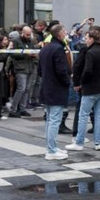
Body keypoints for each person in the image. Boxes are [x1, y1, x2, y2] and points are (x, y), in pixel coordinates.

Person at [67, 28, 100, 151]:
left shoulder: (90, 53)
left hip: (90, 88)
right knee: (98, 115)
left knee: (83, 115)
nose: (85, 40)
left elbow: (87, 70)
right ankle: (98, 142)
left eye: (86, 38)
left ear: (91, 39)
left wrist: (81, 82)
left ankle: (79, 142)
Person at [39, 23, 73, 160]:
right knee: (54, 120)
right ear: (59, 34)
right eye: (64, 31)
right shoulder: (58, 49)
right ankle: (51, 150)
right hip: (56, 88)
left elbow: (40, 71)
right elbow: (61, 70)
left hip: (47, 87)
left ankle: (51, 147)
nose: (66, 32)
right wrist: (67, 82)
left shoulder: (46, 49)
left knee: (49, 120)